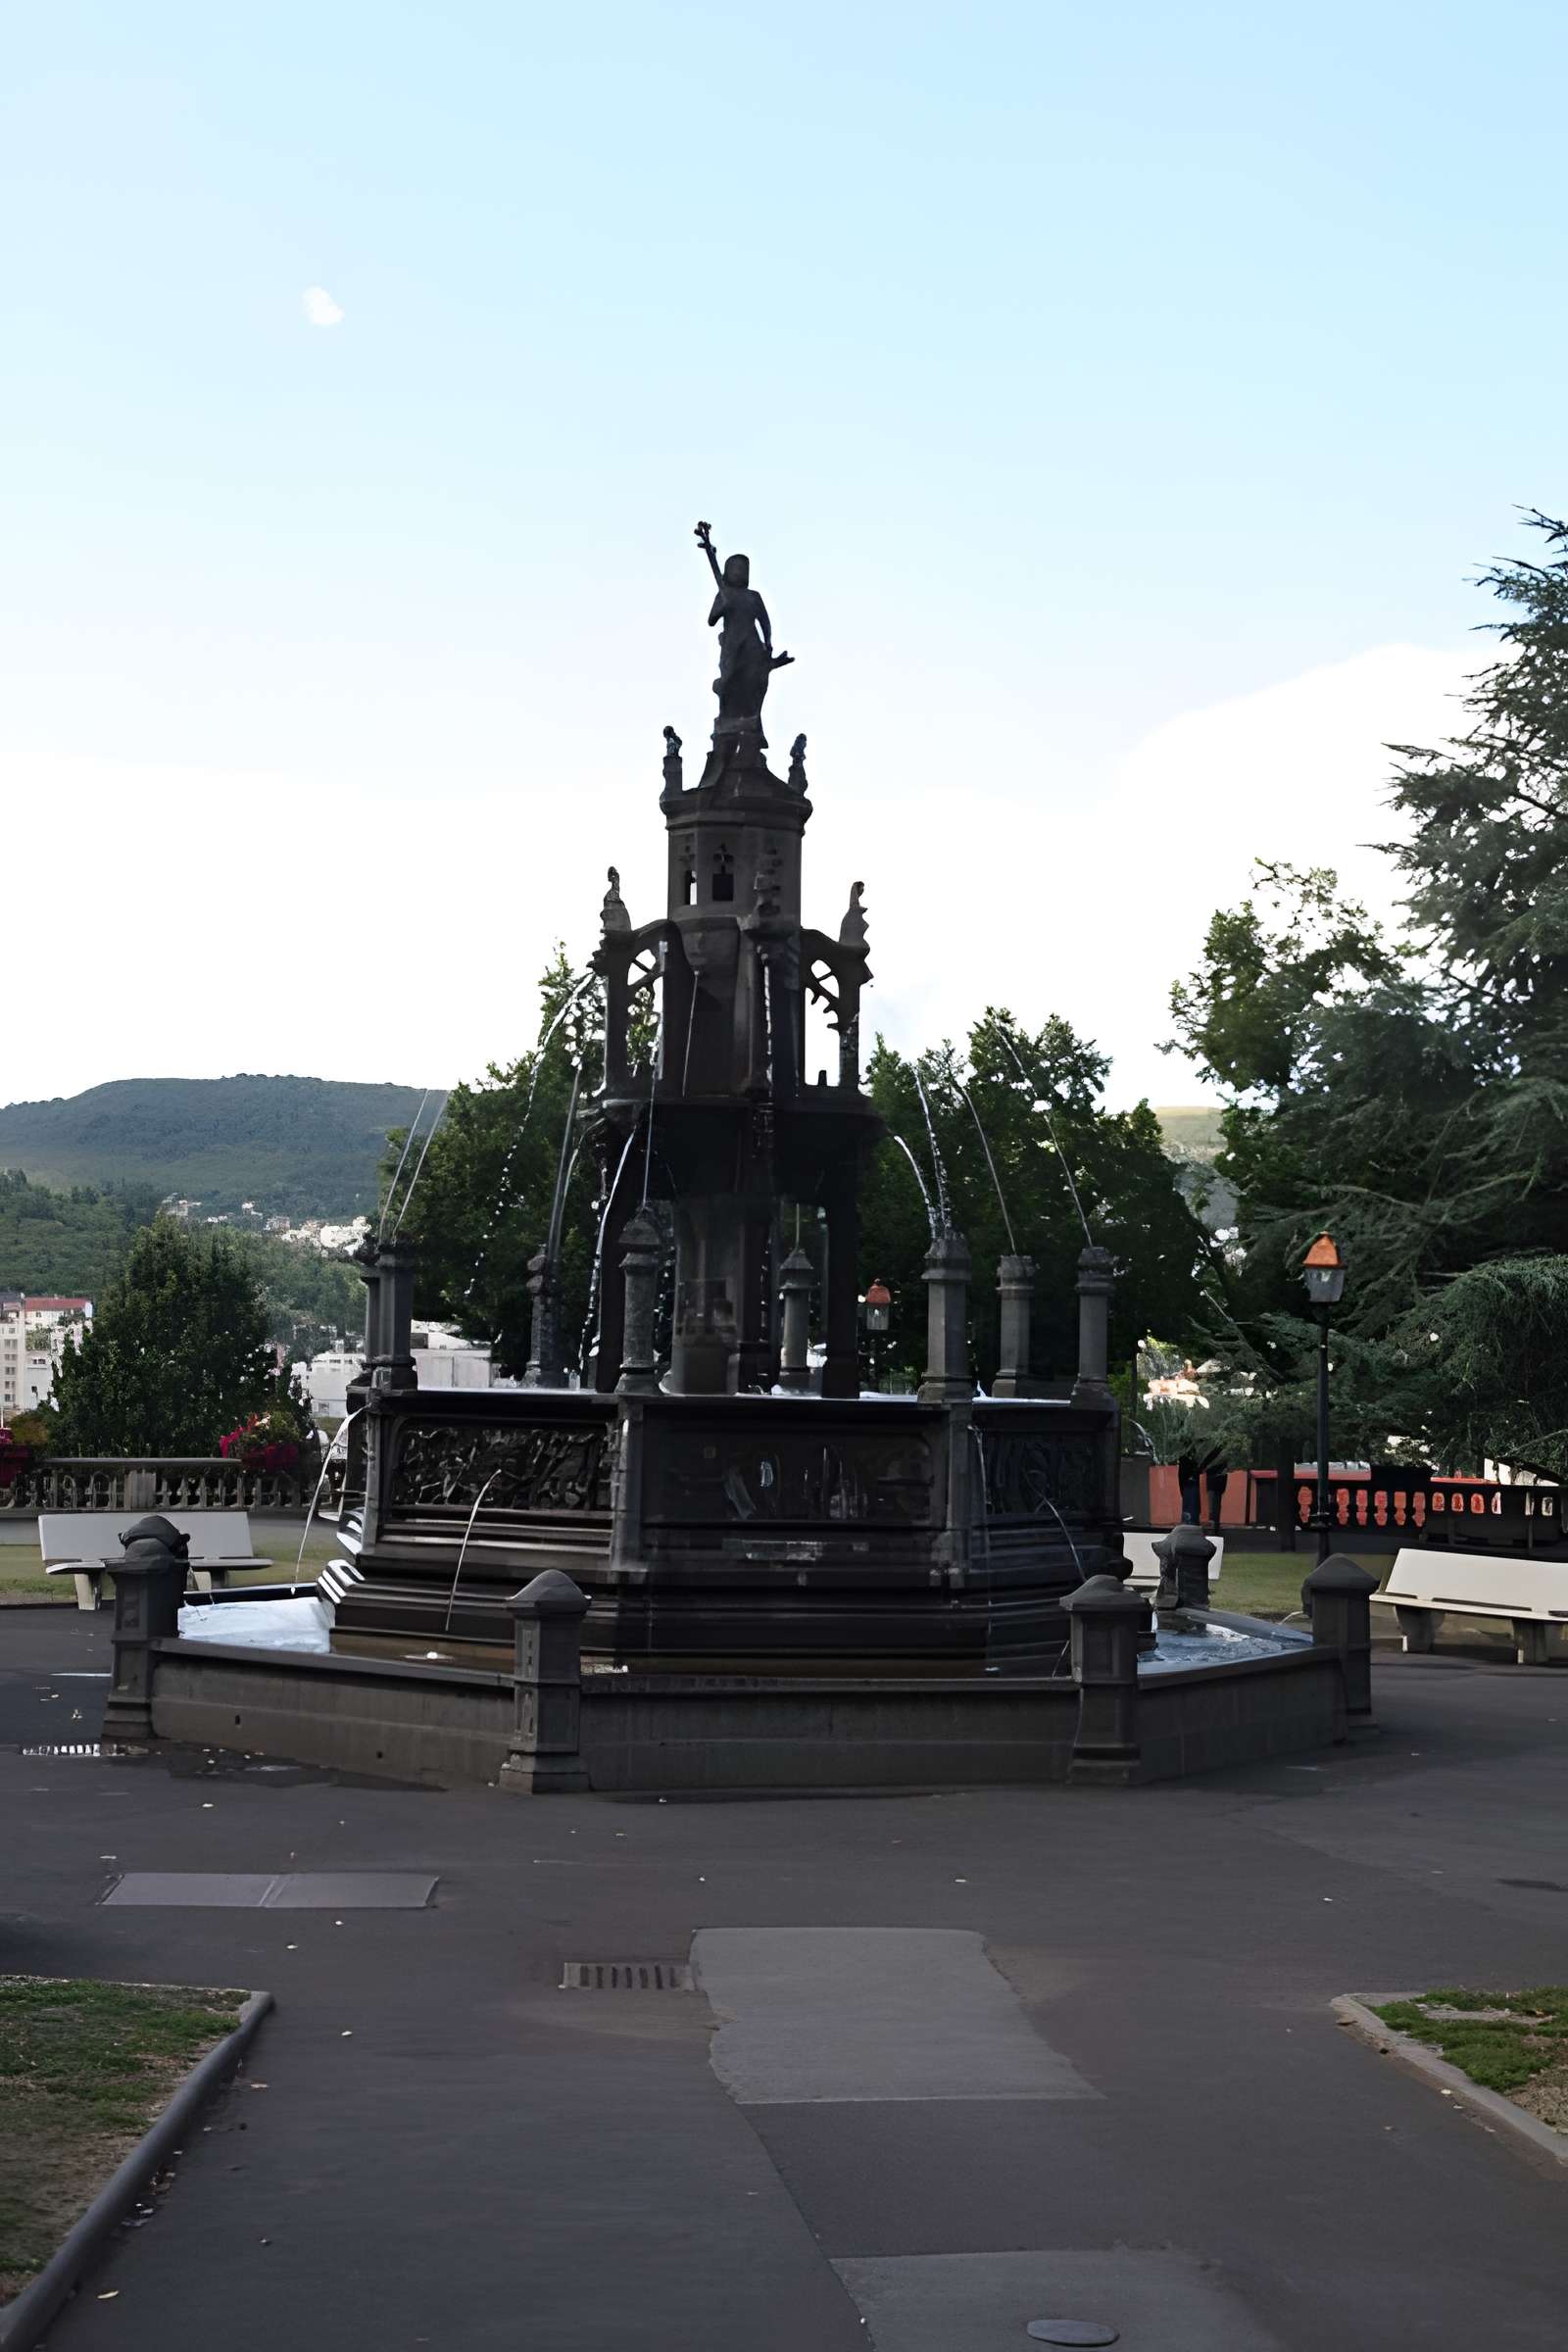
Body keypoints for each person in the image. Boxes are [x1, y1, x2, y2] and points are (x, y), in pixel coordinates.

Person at [1177, 1447, 1200, 1525]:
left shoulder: (1184, 1460)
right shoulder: (1191, 1461)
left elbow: (1181, 1476)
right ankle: (1191, 1521)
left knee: (1189, 1506)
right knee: (1192, 1506)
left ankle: (1189, 1521)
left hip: (1187, 1485)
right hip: (1190, 1485)